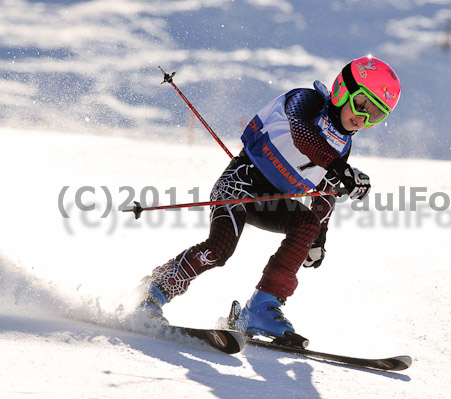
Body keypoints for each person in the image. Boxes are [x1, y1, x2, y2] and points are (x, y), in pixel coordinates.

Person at [138, 55, 402, 339]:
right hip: (240, 182)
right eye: (362, 104)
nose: (363, 119)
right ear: (342, 90)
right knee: (220, 248)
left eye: (375, 115)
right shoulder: (307, 100)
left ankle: (261, 308)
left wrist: (319, 238)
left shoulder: (343, 146)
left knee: (306, 225)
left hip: (272, 201)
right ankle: (154, 290)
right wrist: (341, 168)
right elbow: (302, 134)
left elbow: (326, 191)